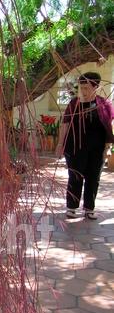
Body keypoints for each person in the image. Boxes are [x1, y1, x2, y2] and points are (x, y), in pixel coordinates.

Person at [56, 72, 114, 219]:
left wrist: (108, 148)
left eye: (86, 88)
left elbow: (109, 126)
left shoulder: (104, 104)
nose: (83, 91)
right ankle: (71, 207)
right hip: (75, 147)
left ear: (96, 87)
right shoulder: (74, 104)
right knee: (75, 176)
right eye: (81, 87)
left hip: (97, 149)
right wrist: (60, 144)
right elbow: (65, 124)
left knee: (93, 178)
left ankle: (89, 208)